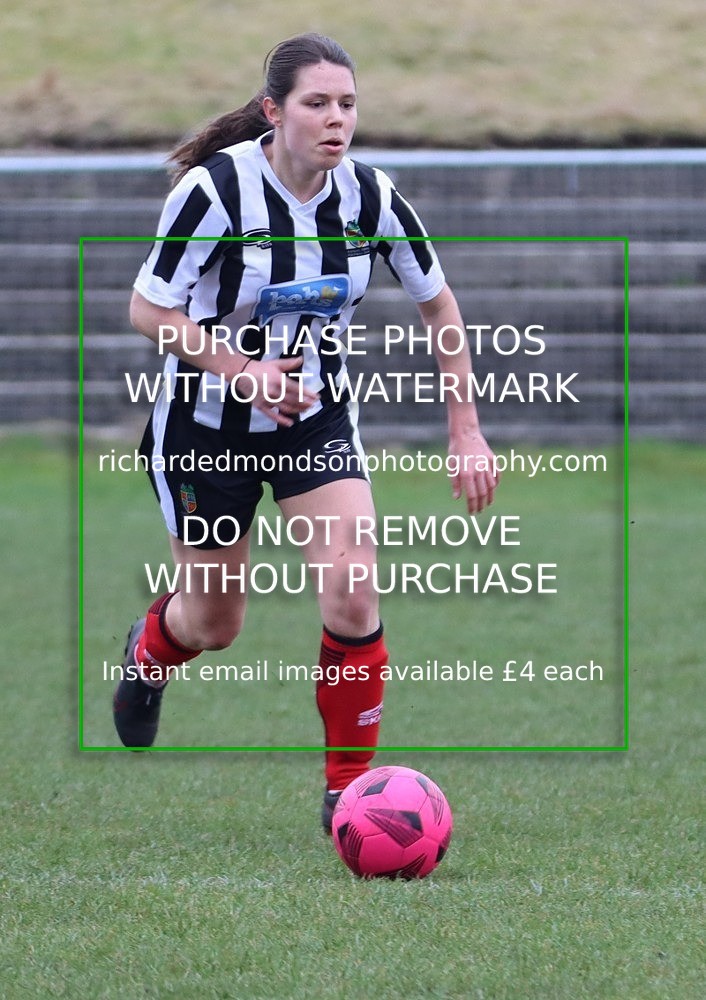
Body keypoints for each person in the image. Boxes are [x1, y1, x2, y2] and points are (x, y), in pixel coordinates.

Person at [112, 32, 499, 832]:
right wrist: (237, 369)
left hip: (312, 420)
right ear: (273, 112)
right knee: (213, 624)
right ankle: (151, 650)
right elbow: (147, 310)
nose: (336, 120)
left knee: (354, 586)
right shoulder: (216, 193)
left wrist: (465, 430)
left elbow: (440, 305)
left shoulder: (369, 197)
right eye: (316, 103)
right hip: (204, 428)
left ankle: (348, 797)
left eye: (347, 104)